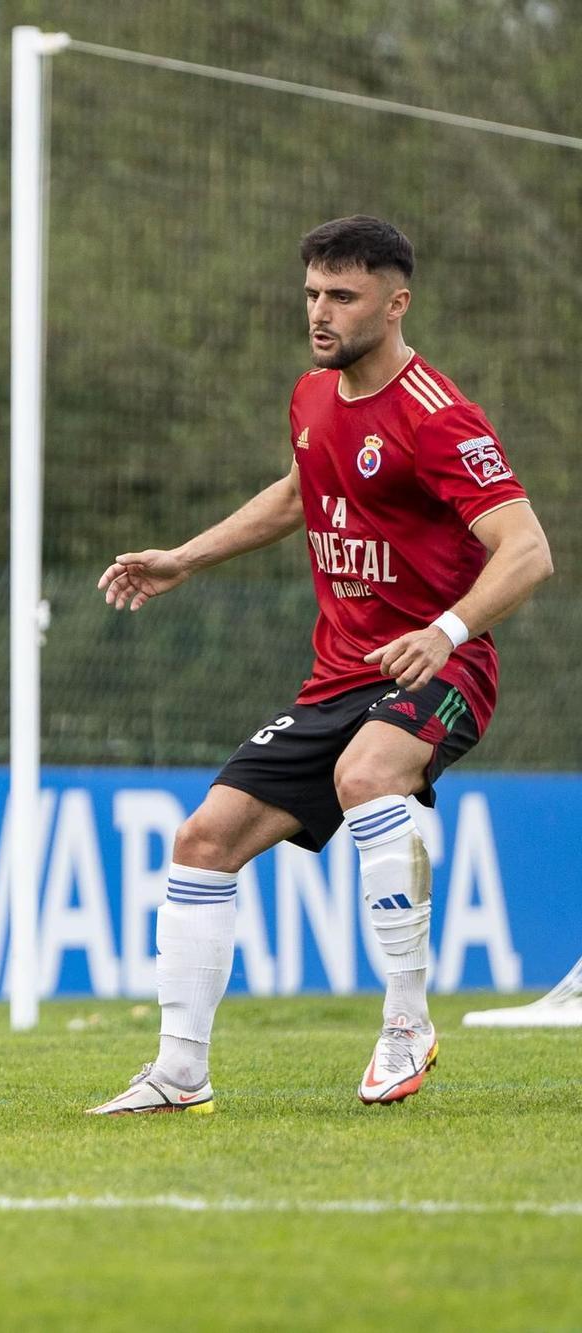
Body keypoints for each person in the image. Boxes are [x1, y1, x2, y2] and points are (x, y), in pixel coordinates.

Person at [88, 216, 552, 1115]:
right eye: (312, 293)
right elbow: (303, 491)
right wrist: (187, 556)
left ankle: (408, 1020)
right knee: (202, 840)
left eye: (343, 295)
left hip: (442, 670)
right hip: (338, 677)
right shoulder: (311, 396)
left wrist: (447, 631)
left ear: (395, 300)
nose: (321, 311)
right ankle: (180, 1072)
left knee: (367, 772)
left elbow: (527, 550)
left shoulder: (439, 416)